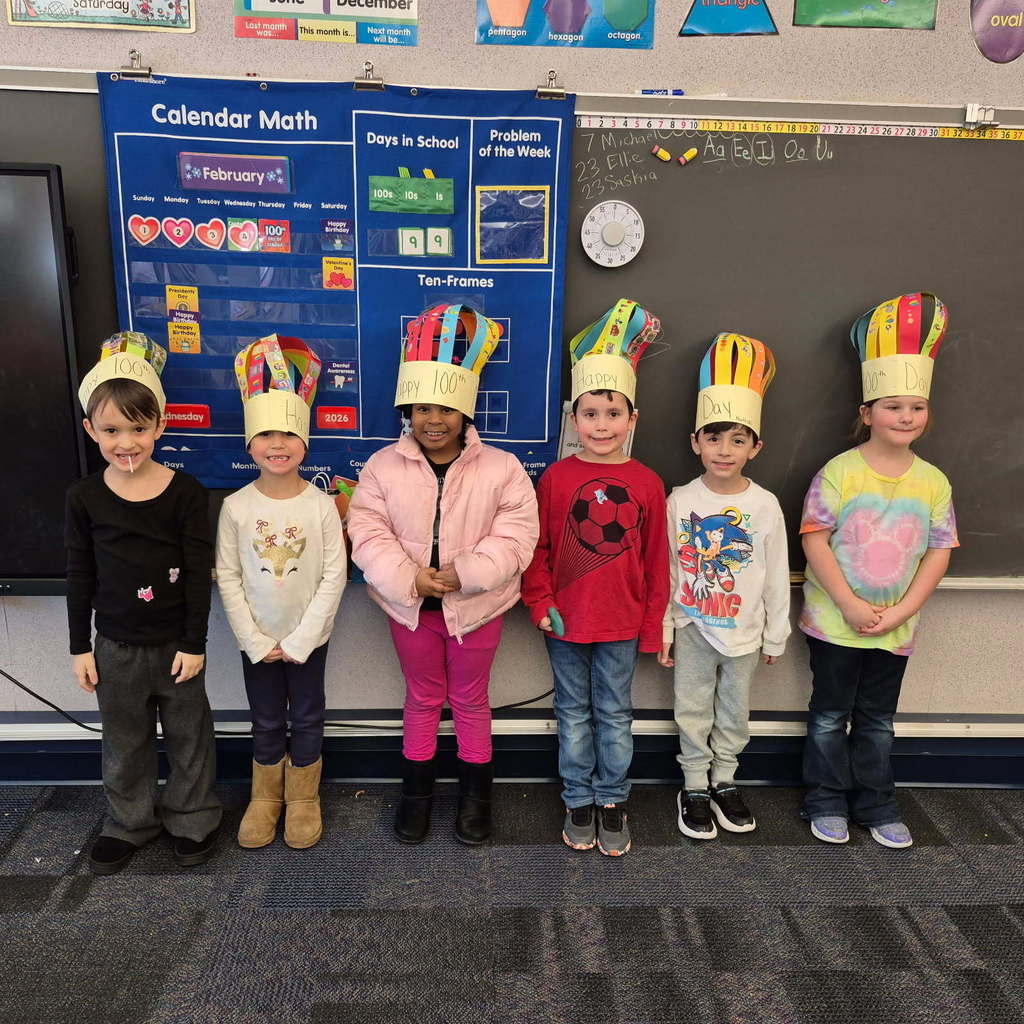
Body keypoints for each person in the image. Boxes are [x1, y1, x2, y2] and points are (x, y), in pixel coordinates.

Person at [347, 303, 538, 846]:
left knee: (473, 699)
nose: (434, 420)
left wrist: (465, 574)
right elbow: (366, 528)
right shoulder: (383, 467)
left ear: (466, 413)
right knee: (423, 697)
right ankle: (417, 794)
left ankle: (476, 797)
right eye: (423, 408)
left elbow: (518, 533)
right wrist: (410, 579)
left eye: (447, 409)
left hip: (478, 607)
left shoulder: (502, 468)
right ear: (407, 410)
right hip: (411, 610)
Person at [800, 292, 958, 849]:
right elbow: (815, 538)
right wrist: (847, 602)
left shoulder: (933, 482)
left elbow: (940, 550)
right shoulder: (839, 472)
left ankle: (877, 803)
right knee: (828, 715)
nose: (906, 416)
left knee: (877, 722)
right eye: (893, 406)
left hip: (896, 627)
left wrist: (905, 610)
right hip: (835, 620)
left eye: (915, 407)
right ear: (867, 412)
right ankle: (824, 800)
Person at [66, 332, 221, 874]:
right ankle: (129, 821)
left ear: (160, 425)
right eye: (110, 430)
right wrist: (78, 647)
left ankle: (193, 817)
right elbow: (80, 572)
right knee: (124, 741)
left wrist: (194, 643)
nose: (125, 441)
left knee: (189, 737)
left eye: (138, 427)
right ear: (91, 430)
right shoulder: (83, 497)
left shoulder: (185, 492)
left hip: (176, 647)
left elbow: (200, 573)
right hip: (113, 646)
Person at [522, 299, 668, 857]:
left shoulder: (648, 484)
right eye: (589, 413)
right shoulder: (556, 479)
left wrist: (652, 630)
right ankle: (577, 797)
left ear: (632, 419)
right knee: (572, 714)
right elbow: (536, 548)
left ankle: (612, 798)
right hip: (564, 620)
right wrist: (539, 602)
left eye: (613, 414)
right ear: (573, 418)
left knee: (614, 712)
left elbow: (657, 563)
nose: (601, 425)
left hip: (623, 623)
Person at [216, 335, 346, 850]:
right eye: (265, 433)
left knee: (308, 714)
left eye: (288, 433)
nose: (277, 443)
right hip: (257, 641)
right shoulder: (235, 507)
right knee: (265, 718)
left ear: (305, 443)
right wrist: (254, 638)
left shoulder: (320, 506)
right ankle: (265, 797)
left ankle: (303, 798)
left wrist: (301, 639)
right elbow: (227, 576)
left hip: (308, 640)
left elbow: (335, 575)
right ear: (249, 443)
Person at [659, 333, 790, 839]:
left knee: (734, 710)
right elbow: (671, 568)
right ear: (695, 442)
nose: (723, 450)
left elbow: (776, 572)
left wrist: (775, 634)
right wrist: (668, 628)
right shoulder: (679, 501)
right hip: (693, 624)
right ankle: (693, 784)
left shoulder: (765, 505)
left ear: (756, 447)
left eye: (737, 439)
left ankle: (724, 781)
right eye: (713, 438)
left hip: (744, 632)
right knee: (691, 708)